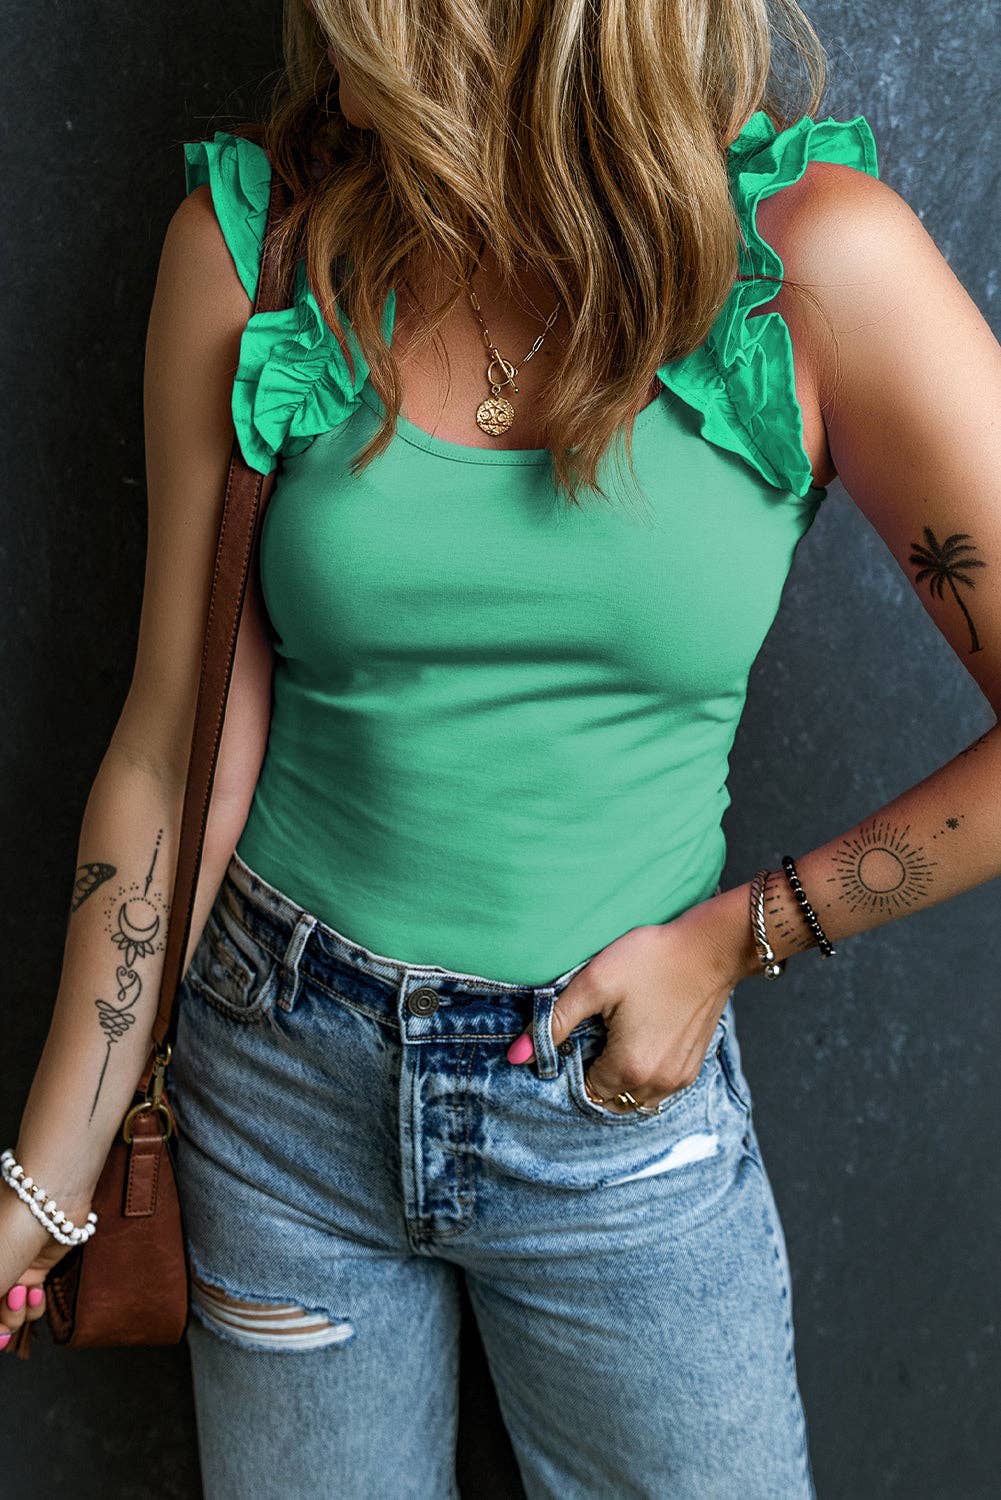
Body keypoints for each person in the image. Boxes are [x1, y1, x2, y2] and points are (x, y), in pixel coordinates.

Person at [4, 1, 1000, 1495]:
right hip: (276, 1088)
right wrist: (45, 1181)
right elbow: (170, 750)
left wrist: (739, 937)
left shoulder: (815, 263)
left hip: (612, 1111)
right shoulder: (259, 247)